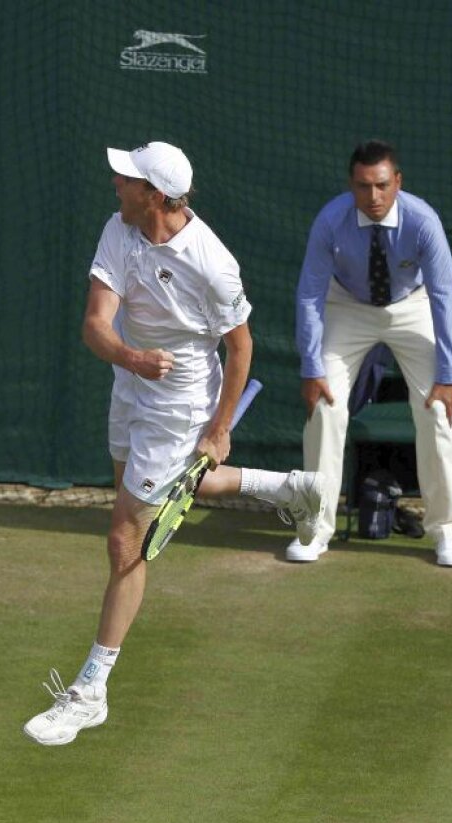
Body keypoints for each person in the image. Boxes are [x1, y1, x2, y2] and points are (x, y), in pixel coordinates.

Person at [22, 142, 326, 746]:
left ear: (156, 196)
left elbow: (240, 347)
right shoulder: (120, 226)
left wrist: (219, 427)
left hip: (182, 393)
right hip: (133, 378)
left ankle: (90, 691)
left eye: (129, 179)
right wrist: (130, 357)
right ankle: (287, 487)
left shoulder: (213, 263)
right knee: (151, 496)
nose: (116, 182)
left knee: (124, 538)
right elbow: (94, 324)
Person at [291, 140, 452, 566]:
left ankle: (447, 532)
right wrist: (312, 367)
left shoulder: (423, 220)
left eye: (382, 186)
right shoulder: (331, 220)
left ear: (398, 183)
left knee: (437, 411)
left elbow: (446, 295)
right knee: (324, 408)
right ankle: (313, 530)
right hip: (346, 304)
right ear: (351, 185)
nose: (373, 197)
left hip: (413, 304)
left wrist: (448, 374)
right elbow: (310, 295)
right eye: (363, 186)